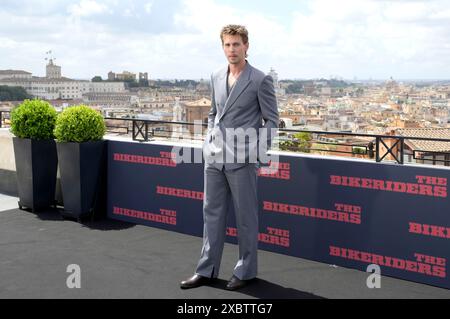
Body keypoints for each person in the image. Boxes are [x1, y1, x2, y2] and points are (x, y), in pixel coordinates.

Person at [180, 24, 279, 291]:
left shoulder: (259, 79)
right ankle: (206, 270)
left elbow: (272, 121)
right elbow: (214, 112)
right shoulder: (215, 75)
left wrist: (255, 152)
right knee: (211, 214)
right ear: (222, 46)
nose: (231, 49)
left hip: (242, 159)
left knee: (246, 217)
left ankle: (246, 271)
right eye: (227, 44)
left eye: (236, 44)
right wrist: (209, 136)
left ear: (246, 46)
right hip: (214, 157)